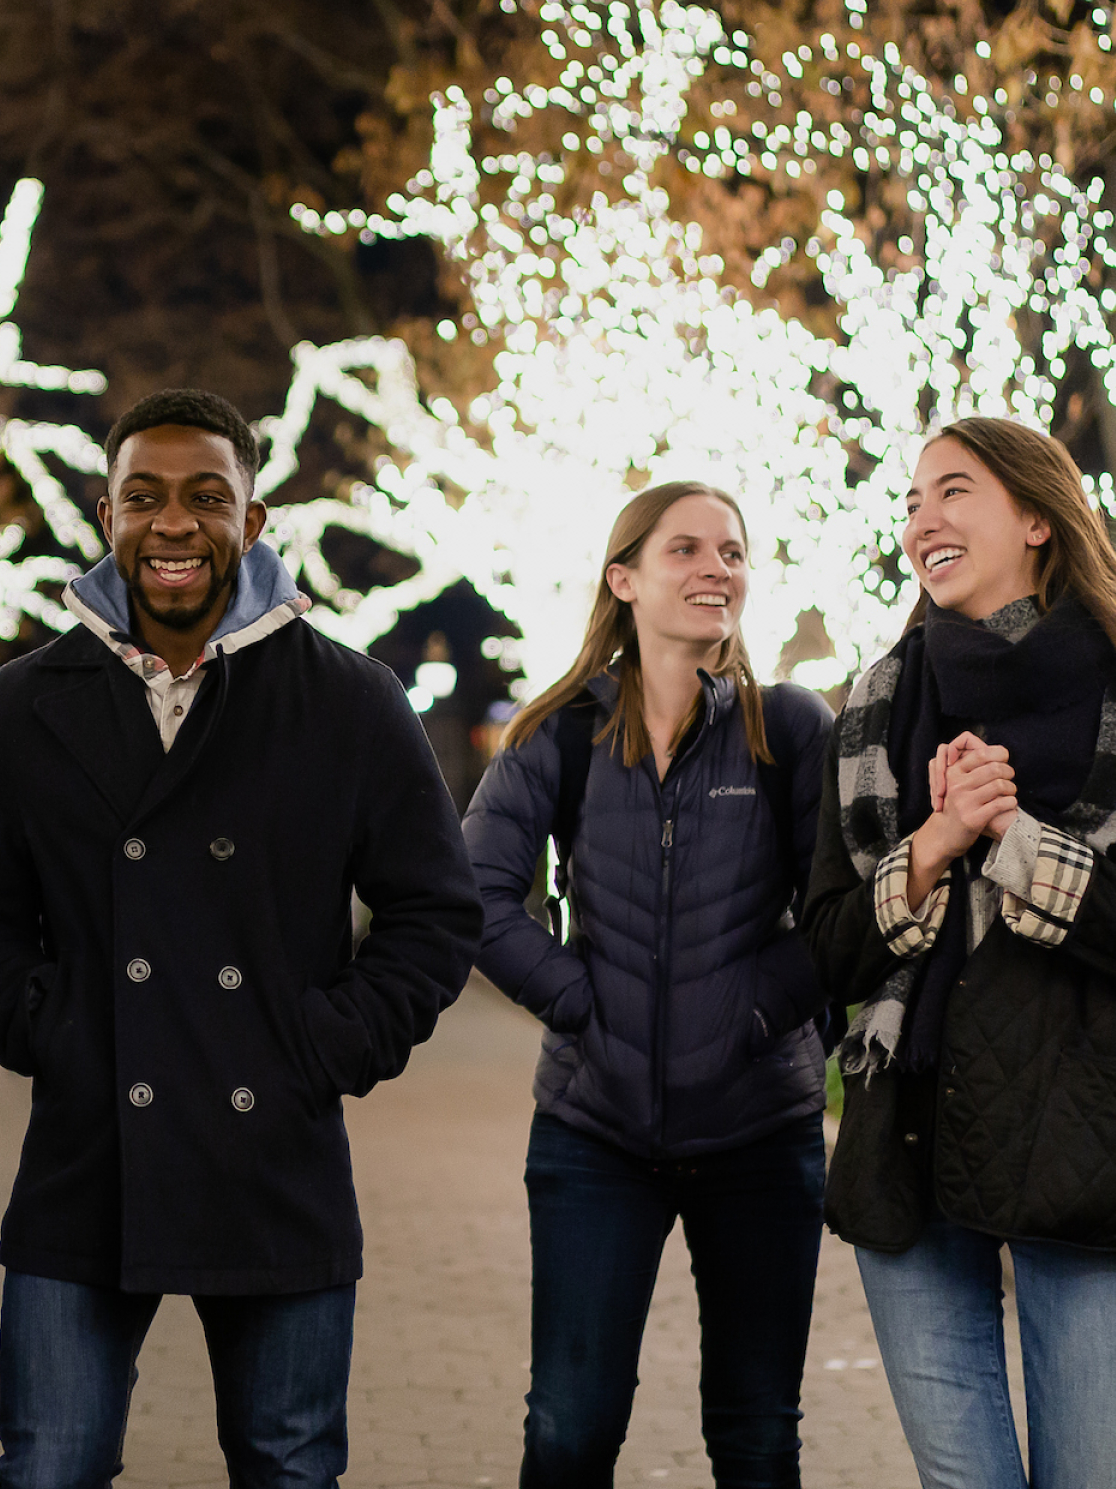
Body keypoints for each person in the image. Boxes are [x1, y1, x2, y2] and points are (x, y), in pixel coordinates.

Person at [0, 388, 482, 1489]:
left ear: (255, 518)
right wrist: (55, 1030)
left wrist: (322, 1046)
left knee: (288, 1469)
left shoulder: (349, 698)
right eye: (144, 496)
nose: (173, 523)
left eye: (204, 497)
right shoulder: (25, 703)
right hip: (90, 1147)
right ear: (106, 515)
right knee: (48, 1467)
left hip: (274, 1147)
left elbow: (435, 913)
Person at [801, 416, 1116, 1489]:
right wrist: (938, 841)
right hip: (909, 1138)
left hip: (1088, 1138)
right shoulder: (872, 712)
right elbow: (827, 952)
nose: (921, 521)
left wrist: (1016, 843)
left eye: (952, 491)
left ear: (1039, 517)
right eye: (910, 503)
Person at [460, 483, 834, 1489]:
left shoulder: (789, 729)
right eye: (686, 550)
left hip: (762, 1133)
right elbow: (477, 897)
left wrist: (760, 1010)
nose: (717, 568)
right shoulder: (560, 732)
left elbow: (841, 918)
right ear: (624, 579)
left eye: (733, 551)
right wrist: (584, 1007)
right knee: (570, 1429)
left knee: (757, 1436)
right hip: (596, 1135)